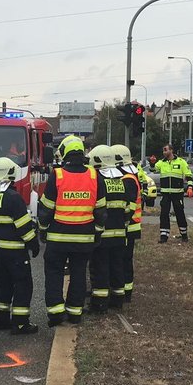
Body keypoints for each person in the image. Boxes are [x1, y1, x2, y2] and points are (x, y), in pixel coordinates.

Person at [37, 136, 107, 326]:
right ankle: (75, 313)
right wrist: (98, 233)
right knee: (78, 273)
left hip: (58, 238)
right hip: (84, 238)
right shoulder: (94, 175)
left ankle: (55, 313)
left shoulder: (57, 175)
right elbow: (101, 211)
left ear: (65, 152)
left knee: (54, 273)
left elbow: (46, 209)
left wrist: (42, 230)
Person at [0, 156, 39, 335]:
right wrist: (33, 243)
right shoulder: (13, 197)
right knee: (23, 284)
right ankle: (20, 323)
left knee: (3, 284)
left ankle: (2, 319)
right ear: (10, 173)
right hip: (15, 252)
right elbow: (23, 226)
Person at [87, 145, 135, 313]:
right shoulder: (120, 181)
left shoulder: (98, 182)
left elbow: (96, 209)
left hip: (103, 235)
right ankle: (117, 299)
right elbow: (128, 210)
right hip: (120, 235)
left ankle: (99, 305)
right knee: (117, 268)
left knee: (100, 269)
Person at [111, 144, 143, 304]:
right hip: (128, 226)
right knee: (121, 259)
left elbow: (128, 206)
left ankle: (126, 293)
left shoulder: (128, 179)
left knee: (124, 260)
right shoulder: (129, 175)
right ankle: (122, 290)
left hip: (129, 226)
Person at [153, 143, 193, 243]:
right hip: (165, 193)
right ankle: (163, 236)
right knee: (164, 214)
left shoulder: (181, 162)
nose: (164, 152)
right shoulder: (162, 162)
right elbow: (153, 169)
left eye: (166, 150)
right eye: (163, 150)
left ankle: (184, 235)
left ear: (171, 150)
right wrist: (152, 163)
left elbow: (188, 175)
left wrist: (190, 187)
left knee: (180, 213)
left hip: (177, 193)